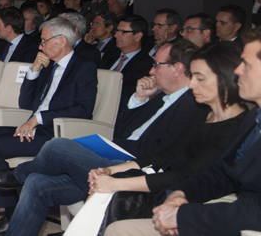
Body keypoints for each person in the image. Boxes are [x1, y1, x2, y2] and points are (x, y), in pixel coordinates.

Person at [0, 42, 245, 236]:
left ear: (177, 68)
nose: (152, 70)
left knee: (56, 146)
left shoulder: (194, 107)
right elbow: (123, 130)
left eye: (157, 65)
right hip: (126, 161)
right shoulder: (168, 100)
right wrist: (139, 100)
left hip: (147, 176)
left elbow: (172, 162)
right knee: (38, 182)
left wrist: (116, 174)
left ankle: (16, 175)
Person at [0, 17, 98, 235]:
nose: (40, 46)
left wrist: (40, 118)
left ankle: (10, 214)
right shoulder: (47, 66)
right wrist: (34, 70)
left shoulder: (84, 67)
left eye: (44, 41)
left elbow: (83, 110)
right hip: (33, 127)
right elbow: (25, 103)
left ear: (62, 41)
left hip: (54, 134)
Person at [103, 29, 261, 236]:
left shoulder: (237, 120)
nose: (238, 71)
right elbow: (221, 172)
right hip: (222, 202)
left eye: (247, 65)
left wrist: (184, 215)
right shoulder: (254, 117)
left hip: (242, 216)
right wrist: (180, 194)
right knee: (117, 227)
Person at [103, 15, 155, 113]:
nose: (116, 35)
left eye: (122, 32)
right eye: (116, 31)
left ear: (138, 36)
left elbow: (127, 93)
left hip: (116, 110)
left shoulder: (146, 64)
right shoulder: (109, 56)